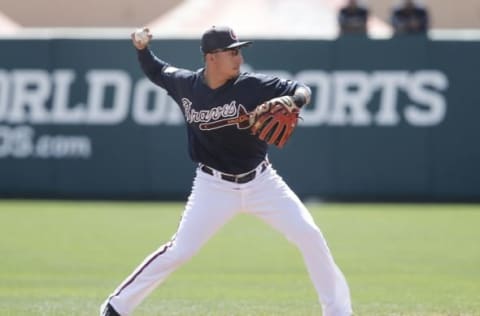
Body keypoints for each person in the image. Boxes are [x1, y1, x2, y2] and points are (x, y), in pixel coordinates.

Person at [100, 25, 353, 316]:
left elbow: (302, 89)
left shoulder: (252, 86)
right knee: (180, 250)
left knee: (309, 235)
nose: (238, 58)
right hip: (213, 186)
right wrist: (141, 48)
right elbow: (156, 70)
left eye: (239, 52)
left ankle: (339, 312)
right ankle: (116, 306)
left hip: (262, 183)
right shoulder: (186, 85)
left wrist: (294, 100)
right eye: (232, 52)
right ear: (211, 58)